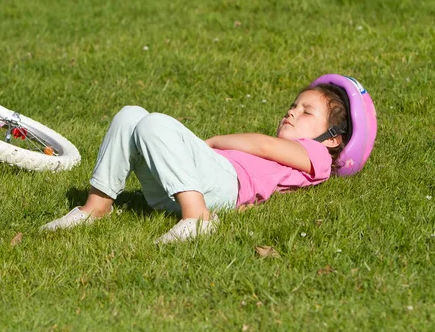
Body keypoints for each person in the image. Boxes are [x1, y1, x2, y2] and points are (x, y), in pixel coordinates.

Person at [41, 74, 376, 244]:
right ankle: (95, 207)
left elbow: (263, 146)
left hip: (224, 185)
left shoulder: (316, 155)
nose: (292, 111)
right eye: (293, 105)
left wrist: (211, 141)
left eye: (306, 111)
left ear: (333, 138)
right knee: (130, 115)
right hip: (184, 186)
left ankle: (198, 217)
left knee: (154, 123)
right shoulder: (302, 148)